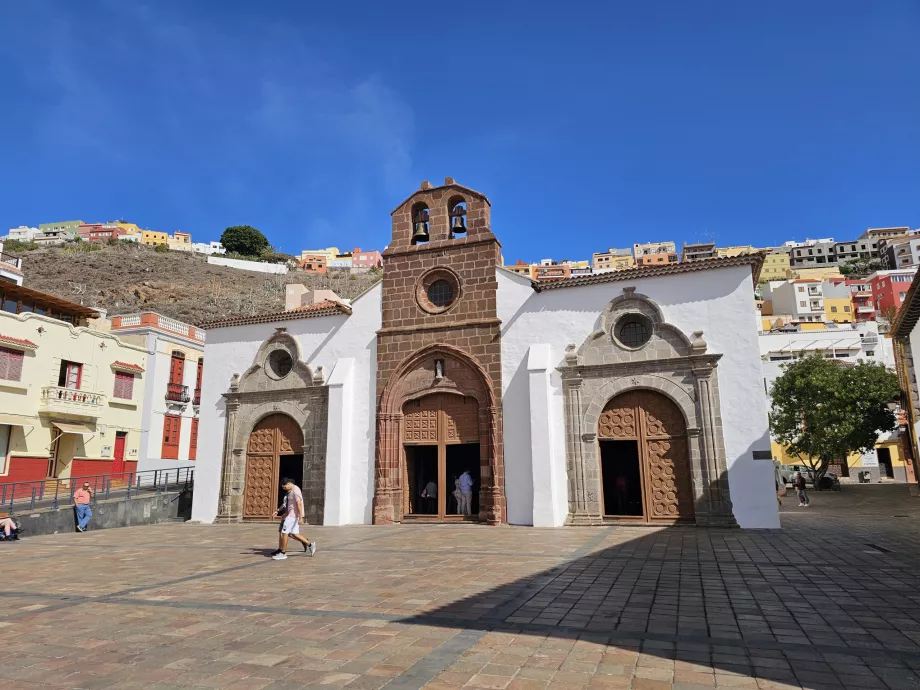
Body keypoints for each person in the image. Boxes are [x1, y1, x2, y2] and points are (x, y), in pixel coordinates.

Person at [272, 478, 316, 560]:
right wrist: (282, 512)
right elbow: (289, 505)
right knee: (295, 534)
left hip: (292, 516)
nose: (284, 489)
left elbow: (299, 504)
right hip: (291, 515)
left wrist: (301, 517)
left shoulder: (295, 491)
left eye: (285, 487)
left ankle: (283, 553)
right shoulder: (291, 491)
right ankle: (310, 545)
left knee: (284, 532)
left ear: (288, 484)